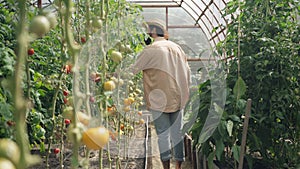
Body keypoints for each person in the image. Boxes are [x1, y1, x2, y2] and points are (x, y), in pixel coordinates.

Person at [131, 19, 191, 169]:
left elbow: (132, 70)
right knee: (177, 134)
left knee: (163, 135)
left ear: (151, 32)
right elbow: (188, 71)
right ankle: (178, 165)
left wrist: (107, 77)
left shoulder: (151, 49)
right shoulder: (177, 48)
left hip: (159, 99)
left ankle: (166, 167)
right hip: (178, 97)